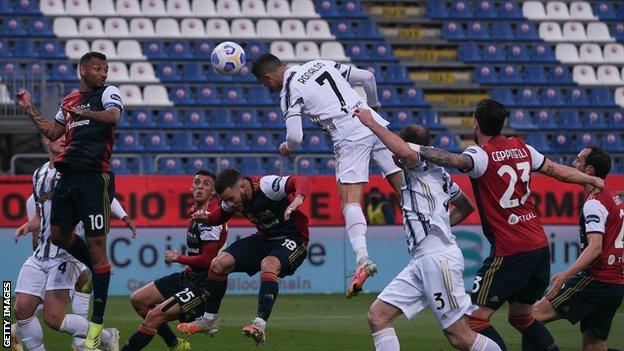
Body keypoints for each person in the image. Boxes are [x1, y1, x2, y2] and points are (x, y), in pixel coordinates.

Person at [407, 99, 605, 350]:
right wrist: (589, 178)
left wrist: (413, 147)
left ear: (475, 123)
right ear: (502, 125)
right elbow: (557, 170)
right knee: (521, 317)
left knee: (472, 322)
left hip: (510, 251)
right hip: (539, 247)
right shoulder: (522, 147)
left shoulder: (480, 155)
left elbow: (453, 161)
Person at [251, 53, 404, 297]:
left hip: (349, 136)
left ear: (268, 79)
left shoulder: (289, 89)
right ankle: (431, 233)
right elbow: (368, 77)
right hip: (373, 123)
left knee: (349, 201)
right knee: (404, 188)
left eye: (264, 84)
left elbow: (295, 137)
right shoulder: (318, 63)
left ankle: (363, 259)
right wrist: (373, 106)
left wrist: (287, 148)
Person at [354, 108, 501, 351]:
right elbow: (466, 207)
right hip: (422, 261)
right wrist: (441, 222)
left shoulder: (418, 163)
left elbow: (404, 152)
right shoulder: (441, 176)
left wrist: (370, 122)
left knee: (460, 337)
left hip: (438, 259)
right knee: (378, 316)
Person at [15, 51, 123, 348]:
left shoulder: (108, 93)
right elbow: (53, 130)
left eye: (106, 68)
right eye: (98, 68)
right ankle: (96, 268)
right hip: (69, 177)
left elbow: (113, 117)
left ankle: (98, 324)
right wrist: (29, 108)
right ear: (82, 69)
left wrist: (85, 114)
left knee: (96, 247)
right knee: (61, 234)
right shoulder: (69, 100)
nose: (104, 73)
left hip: (92, 176)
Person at [12, 135, 136, 351]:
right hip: (41, 253)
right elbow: (39, 215)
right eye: (56, 136)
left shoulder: (77, 171)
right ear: (45, 140)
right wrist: (28, 226)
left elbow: (105, 194)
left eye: (66, 136)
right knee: (21, 311)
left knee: (53, 317)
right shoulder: (38, 174)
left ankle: (103, 338)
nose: (62, 139)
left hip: (67, 255)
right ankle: (102, 339)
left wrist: (123, 216)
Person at [176, 169, 310, 345]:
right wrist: (206, 219)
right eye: (225, 201)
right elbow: (218, 216)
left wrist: (298, 198)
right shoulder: (231, 198)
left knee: (268, 264)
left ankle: (260, 324)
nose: (229, 205)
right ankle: (209, 320)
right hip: (264, 239)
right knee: (218, 263)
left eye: (231, 199)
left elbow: (302, 179)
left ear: (242, 186)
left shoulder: (266, 186)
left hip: (293, 238)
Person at [122, 170, 227, 351]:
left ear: (213, 192)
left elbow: (209, 260)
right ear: (191, 186)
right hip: (189, 276)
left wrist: (179, 258)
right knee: (138, 300)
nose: (200, 186)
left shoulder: (211, 218)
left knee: (154, 317)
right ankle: (175, 344)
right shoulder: (194, 211)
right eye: (197, 182)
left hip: (204, 285)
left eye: (206, 183)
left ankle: (202, 315)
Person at [532, 146, 624, 351]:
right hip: (614, 284)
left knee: (532, 317)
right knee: (594, 347)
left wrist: (565, 274)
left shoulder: (594, 202)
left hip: (596, 279)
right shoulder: (613, 197)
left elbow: (595, 248)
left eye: (578, 161)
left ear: (589, 170)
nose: (573, 164)